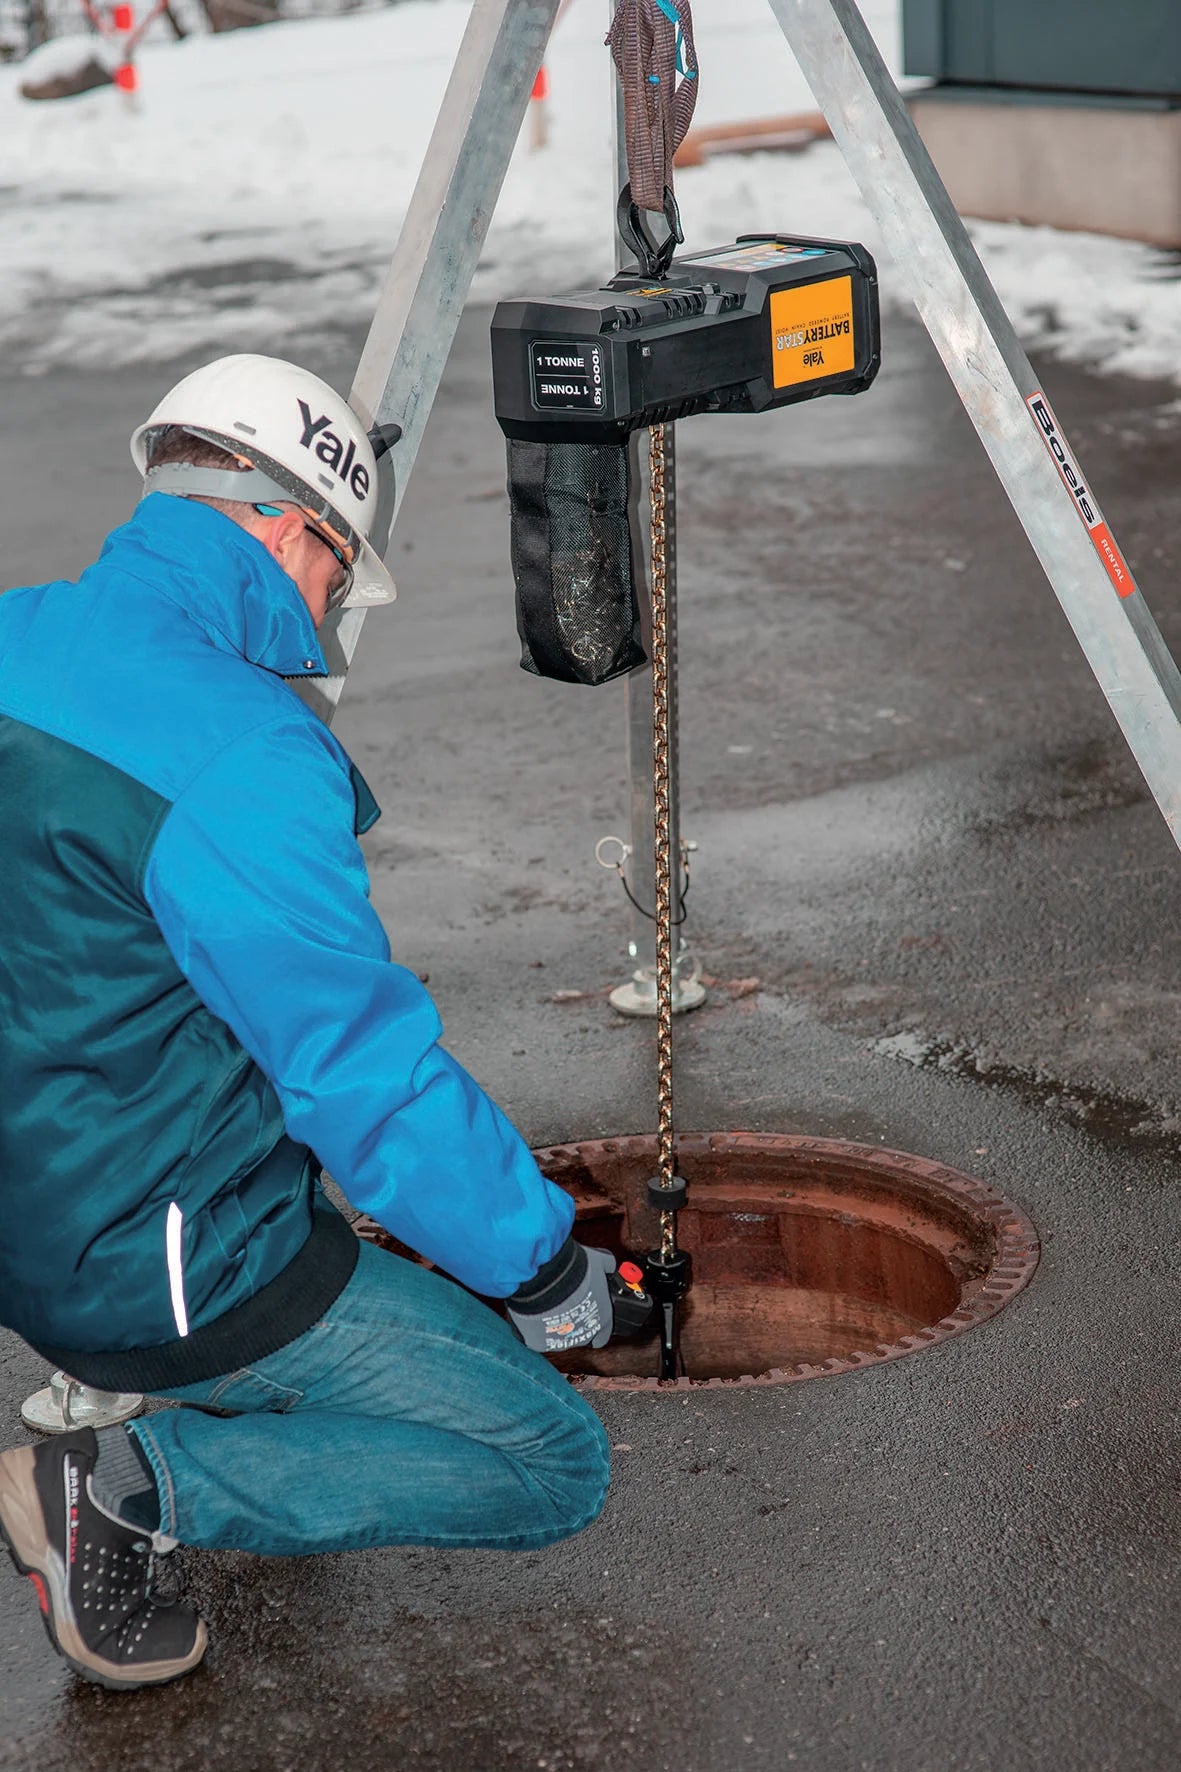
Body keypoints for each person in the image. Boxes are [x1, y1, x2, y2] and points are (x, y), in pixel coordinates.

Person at [0, 354, 618, 1692]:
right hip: (164, 1275)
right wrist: (536, 1267)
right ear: (292, 530)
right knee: (551, 1463)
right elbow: (360, 1081)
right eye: (341, 572)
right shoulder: (243, 756)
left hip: (25, 1223)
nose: (332, 609)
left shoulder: (11, 636)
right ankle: (124, 1485)